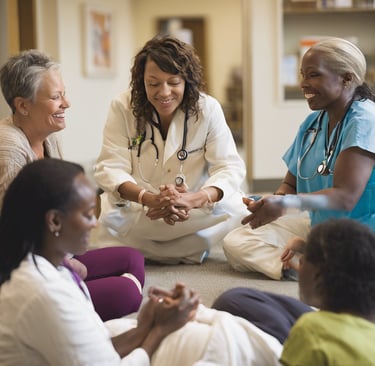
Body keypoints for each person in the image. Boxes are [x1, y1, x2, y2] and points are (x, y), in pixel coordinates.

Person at [0, 158, 284, 366]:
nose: (95, 223)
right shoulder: (43, 292)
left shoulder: (47, 269)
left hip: (113, 343)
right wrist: (158, 331)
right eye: (87, 215)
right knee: (223, 338)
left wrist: (146, 325)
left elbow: (96, 347)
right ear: (54, 221)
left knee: (218, 325)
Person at [0, 49, 145, 321]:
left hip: (51, 255)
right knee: (126, 293)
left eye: (63, 93)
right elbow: (14, 235)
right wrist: (67, 266)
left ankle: (78, 306)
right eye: (56, 97)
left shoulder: (48, 136)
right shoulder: (8, 147)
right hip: (19, 271)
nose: (66, 103)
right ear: (22, 105)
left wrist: (67, 260)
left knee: (132, 259)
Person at [223, 36, 375, 280]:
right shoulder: (313, 123)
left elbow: (345, 198)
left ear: (347, 78)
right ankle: (309, 264)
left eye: (313, 75)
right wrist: (273, 202)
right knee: (236, 240)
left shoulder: (365, 121)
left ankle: (316, 264)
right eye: (303, 75)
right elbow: (291, 184)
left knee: (348, 259)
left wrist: (285, 204)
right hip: (320, 227)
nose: (304, 84)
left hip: (361, 234)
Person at [94, 36, 248, 264]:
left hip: (192, 209)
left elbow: (229, 166)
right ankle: (191, 249)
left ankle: (160, 251)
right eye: (153, 84)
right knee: (107, 223)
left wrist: (195, 199)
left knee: (238, 209)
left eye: (174, 82)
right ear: (141, 81)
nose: (164, 92)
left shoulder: (207, 108)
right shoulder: (123, 107)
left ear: (188, 80)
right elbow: (110, 167)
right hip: (142, 209)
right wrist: (148, 198)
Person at [214, 218, 375, 365]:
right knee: (234, 299)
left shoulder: (311, 331)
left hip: (311, 333)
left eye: (303, 262)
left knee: (230, 307)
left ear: (318, 277)